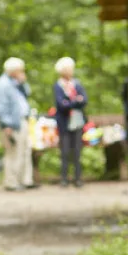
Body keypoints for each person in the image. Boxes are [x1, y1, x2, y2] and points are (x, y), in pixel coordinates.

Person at [0, 57, 34, 191]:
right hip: (11, 123)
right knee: (13, 152)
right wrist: (7, 125)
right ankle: (11, 183)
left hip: (22, 120)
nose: (22, 71)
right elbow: (1, 105)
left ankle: (25, 180)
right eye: (20, 70)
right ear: (14, 70)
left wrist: (22, 83)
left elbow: (28, 93)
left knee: (24, 150)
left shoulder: (16, 82)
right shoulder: (3, 83)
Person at [53, 57, 89, 187]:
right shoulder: (58, 86)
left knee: (77, 151)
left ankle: (78, 178)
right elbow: (61, 105)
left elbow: (84, 100)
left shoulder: (77, 84)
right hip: (64, 123)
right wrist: (76, 101)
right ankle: (64, 179)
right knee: (65, 152)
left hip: (77, 122)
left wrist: (70, 102)